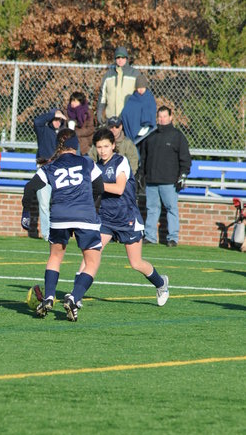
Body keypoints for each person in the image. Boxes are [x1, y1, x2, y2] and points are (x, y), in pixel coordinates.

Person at [21, 128, 105, 322]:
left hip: (60, 216)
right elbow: (99, 188)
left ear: (58, 145)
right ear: (75, 145)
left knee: (55, 256)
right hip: (85, 215)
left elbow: (30, 188)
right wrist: (89, 205)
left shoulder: (50, 166)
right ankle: (74, 297)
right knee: (92, 262)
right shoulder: (87, 162)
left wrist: (26, 213)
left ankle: (49, 296)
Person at [79, 128, 169, 306]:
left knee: (136, 263)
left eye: (106, 146)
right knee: (91, 254)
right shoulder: (96, 167)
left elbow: (119, 189)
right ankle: (77, 295)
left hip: (127, 218)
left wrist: (95, 185)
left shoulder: (121, 162)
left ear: (113, 145)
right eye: (99, 147)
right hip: (105, 219)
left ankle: (161, 283)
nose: (103, 150)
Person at [140, 105, 192, 246]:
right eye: (160, 117)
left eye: (164, 116)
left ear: (170, 117)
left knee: (171, 209)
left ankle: (172, 238)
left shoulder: (178, 136)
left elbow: (185, 159)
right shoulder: (150, 137)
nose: (162, 119)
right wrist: (142, 175)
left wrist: (183, 175)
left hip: (169, 182)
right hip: (152, 181)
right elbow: (144, 158)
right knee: (152, 209)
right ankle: (150, 237)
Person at [33, 108, 68, 240]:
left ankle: (61, 232)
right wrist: (53, 114)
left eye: (59, 120)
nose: (57, 122)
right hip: (44, 170)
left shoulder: (64, 134)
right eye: (55, 119)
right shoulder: (43, 130)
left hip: (59, 172)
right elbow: (37, 122)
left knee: (60, 203)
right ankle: (47, 234)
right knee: (44, 204)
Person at [96, 46, 139, 125]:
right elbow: (102, 96)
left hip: (129, 117)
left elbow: (141, 95)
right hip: (111, 117)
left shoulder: (135, 74)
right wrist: (99, 111)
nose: (120, 60)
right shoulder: (108, 75)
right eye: (118, 57)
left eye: (122, 57)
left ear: (126, 58)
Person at [121, 73, 157, 144]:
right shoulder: (132, 98)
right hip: (131, 130)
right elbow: (126, 112)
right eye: (138, 87)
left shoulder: (149, 98)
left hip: (145, 131)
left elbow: (150, 113)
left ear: (146, 87)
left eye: (142, 87)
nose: (140, 90)